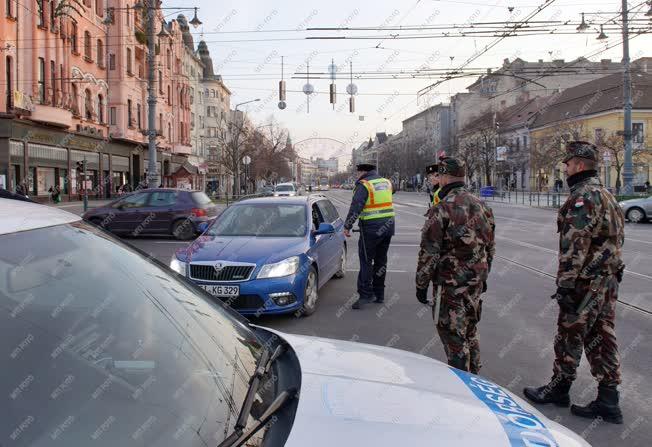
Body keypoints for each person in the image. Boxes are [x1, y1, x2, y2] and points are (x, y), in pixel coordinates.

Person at [523, 141, 626, 424]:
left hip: (585, 282)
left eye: (567, 164)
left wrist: (566, 284)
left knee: (570, 333)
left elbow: (574, 246)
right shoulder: (607, 195)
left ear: (579, 165)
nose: (565, 168)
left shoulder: (583, 197)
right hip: (607, 280)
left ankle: (560, 388)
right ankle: (609, 400)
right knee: (602, 336)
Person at [415, 157, 495, 374]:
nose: (438, 179)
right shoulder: (482, 206)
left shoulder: (441, 209)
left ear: (444, 177)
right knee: (470, 330)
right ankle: (475, 376)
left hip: (450, 286)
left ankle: (462, 385)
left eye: (439, 175)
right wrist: (483, 276)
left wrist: (421, 285)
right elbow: (490, 246)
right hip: (475, 282)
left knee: (453, 337)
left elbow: (429, 253)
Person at [344, 163, 395, 309]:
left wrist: (347, 226)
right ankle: (379, 294)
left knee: (366, 261)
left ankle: (366, 295)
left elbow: (356, 206)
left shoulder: (364, 184)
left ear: (362, 172)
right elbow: (390, 194)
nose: (356, 175)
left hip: (371, 229)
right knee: (381, 261)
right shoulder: (386, 182)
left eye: (357, 173)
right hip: (388, 227)